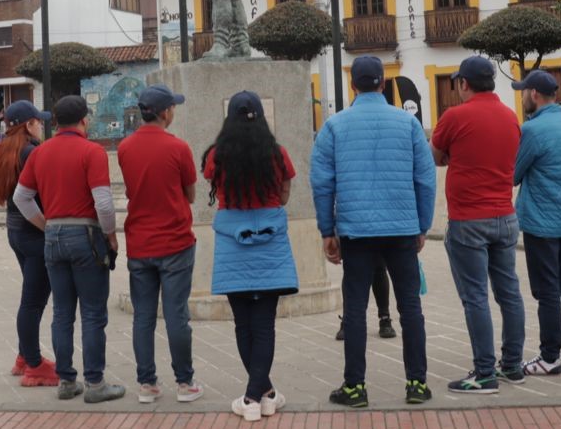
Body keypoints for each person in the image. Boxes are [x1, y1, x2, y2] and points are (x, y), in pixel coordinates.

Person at [311, 55, 437, 408]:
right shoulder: (408, 124)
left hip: (356, 230)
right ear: (384, 83)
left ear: (353, 85)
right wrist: (422, 225)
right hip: (401, 228)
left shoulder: (334, 126)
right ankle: (416, 384)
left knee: (354, 309)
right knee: (410, 307)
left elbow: (322, 182)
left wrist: (327, 230)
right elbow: (425, 179)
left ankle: (355, 388)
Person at [13, 95, 125, 404]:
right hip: (86, 234)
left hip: (53, 237)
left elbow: (22, 197)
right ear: (84, 121)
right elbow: (102, 201)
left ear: (56, 123)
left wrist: (45, 224)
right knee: (92, 312)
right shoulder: (93, 151)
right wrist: (111, 235)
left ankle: (66, 380)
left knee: (62, 312)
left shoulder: (41, 152)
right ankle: (95, 383)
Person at [432, 55, 526, 392]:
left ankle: (485, 372)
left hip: (469, 220)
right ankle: (513, 365)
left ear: (463, 83)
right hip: (505, 216)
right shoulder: (510, 116)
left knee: (475, 297)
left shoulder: (454, 116)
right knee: (510, 294)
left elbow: (437, 156)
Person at [204, 91, 297, 421]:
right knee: (265, 325)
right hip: (270, 242)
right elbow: (284, 194)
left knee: (243, 324)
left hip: (233, 242)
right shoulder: (277, 153)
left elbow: (212, 181)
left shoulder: (217, 155)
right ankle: (263, 394)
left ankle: (252, 399)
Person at [117, 84, 204, 405]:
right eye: (173, 107)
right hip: (176, 241)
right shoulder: (178, 147)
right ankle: (184, 382)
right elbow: (191, 193)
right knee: (176, 314)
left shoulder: (125, 148)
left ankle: (147, 384)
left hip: (139, 242)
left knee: (143, 316)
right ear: (165, 112)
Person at [0, 99, 57, 387]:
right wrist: (48, 226)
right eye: (39, 122)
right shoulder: (32, 152)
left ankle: (23, 355)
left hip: (16, 232)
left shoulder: (3, 150)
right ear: (28, 125)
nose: (42, 126)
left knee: (32, 298)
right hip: (34, 233)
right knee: (33, 301)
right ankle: (33, 364)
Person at [511, 70, 561, 376]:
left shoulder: (532, 130)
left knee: (548, 291)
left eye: (522, 91)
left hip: (543, 224)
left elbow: (513, 174)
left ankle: (550, 356)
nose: (521, 96)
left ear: (533, 95)